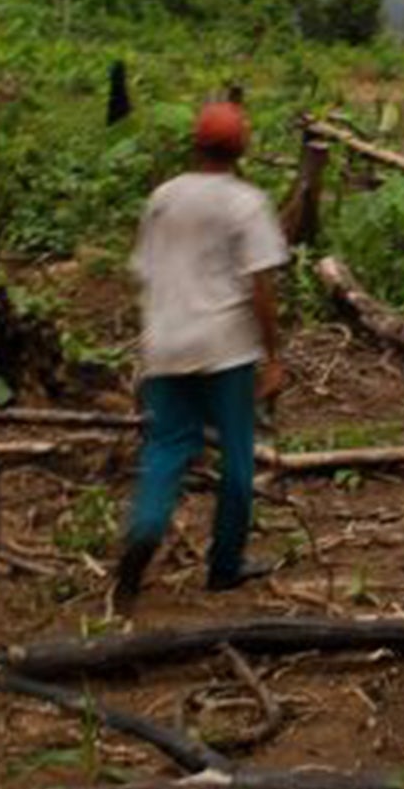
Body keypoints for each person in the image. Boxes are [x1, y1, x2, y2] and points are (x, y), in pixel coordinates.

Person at [112, 99, 288, 615]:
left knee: (167, 447)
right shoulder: (247, 203)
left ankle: (144, 531)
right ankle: (224, 567)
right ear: (243, 148)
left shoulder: (163, 198)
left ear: (195, 143)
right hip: (225, 346)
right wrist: (273, 355)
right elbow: (261, 287)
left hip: (165, 342)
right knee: (236, 457)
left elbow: (145, 270)